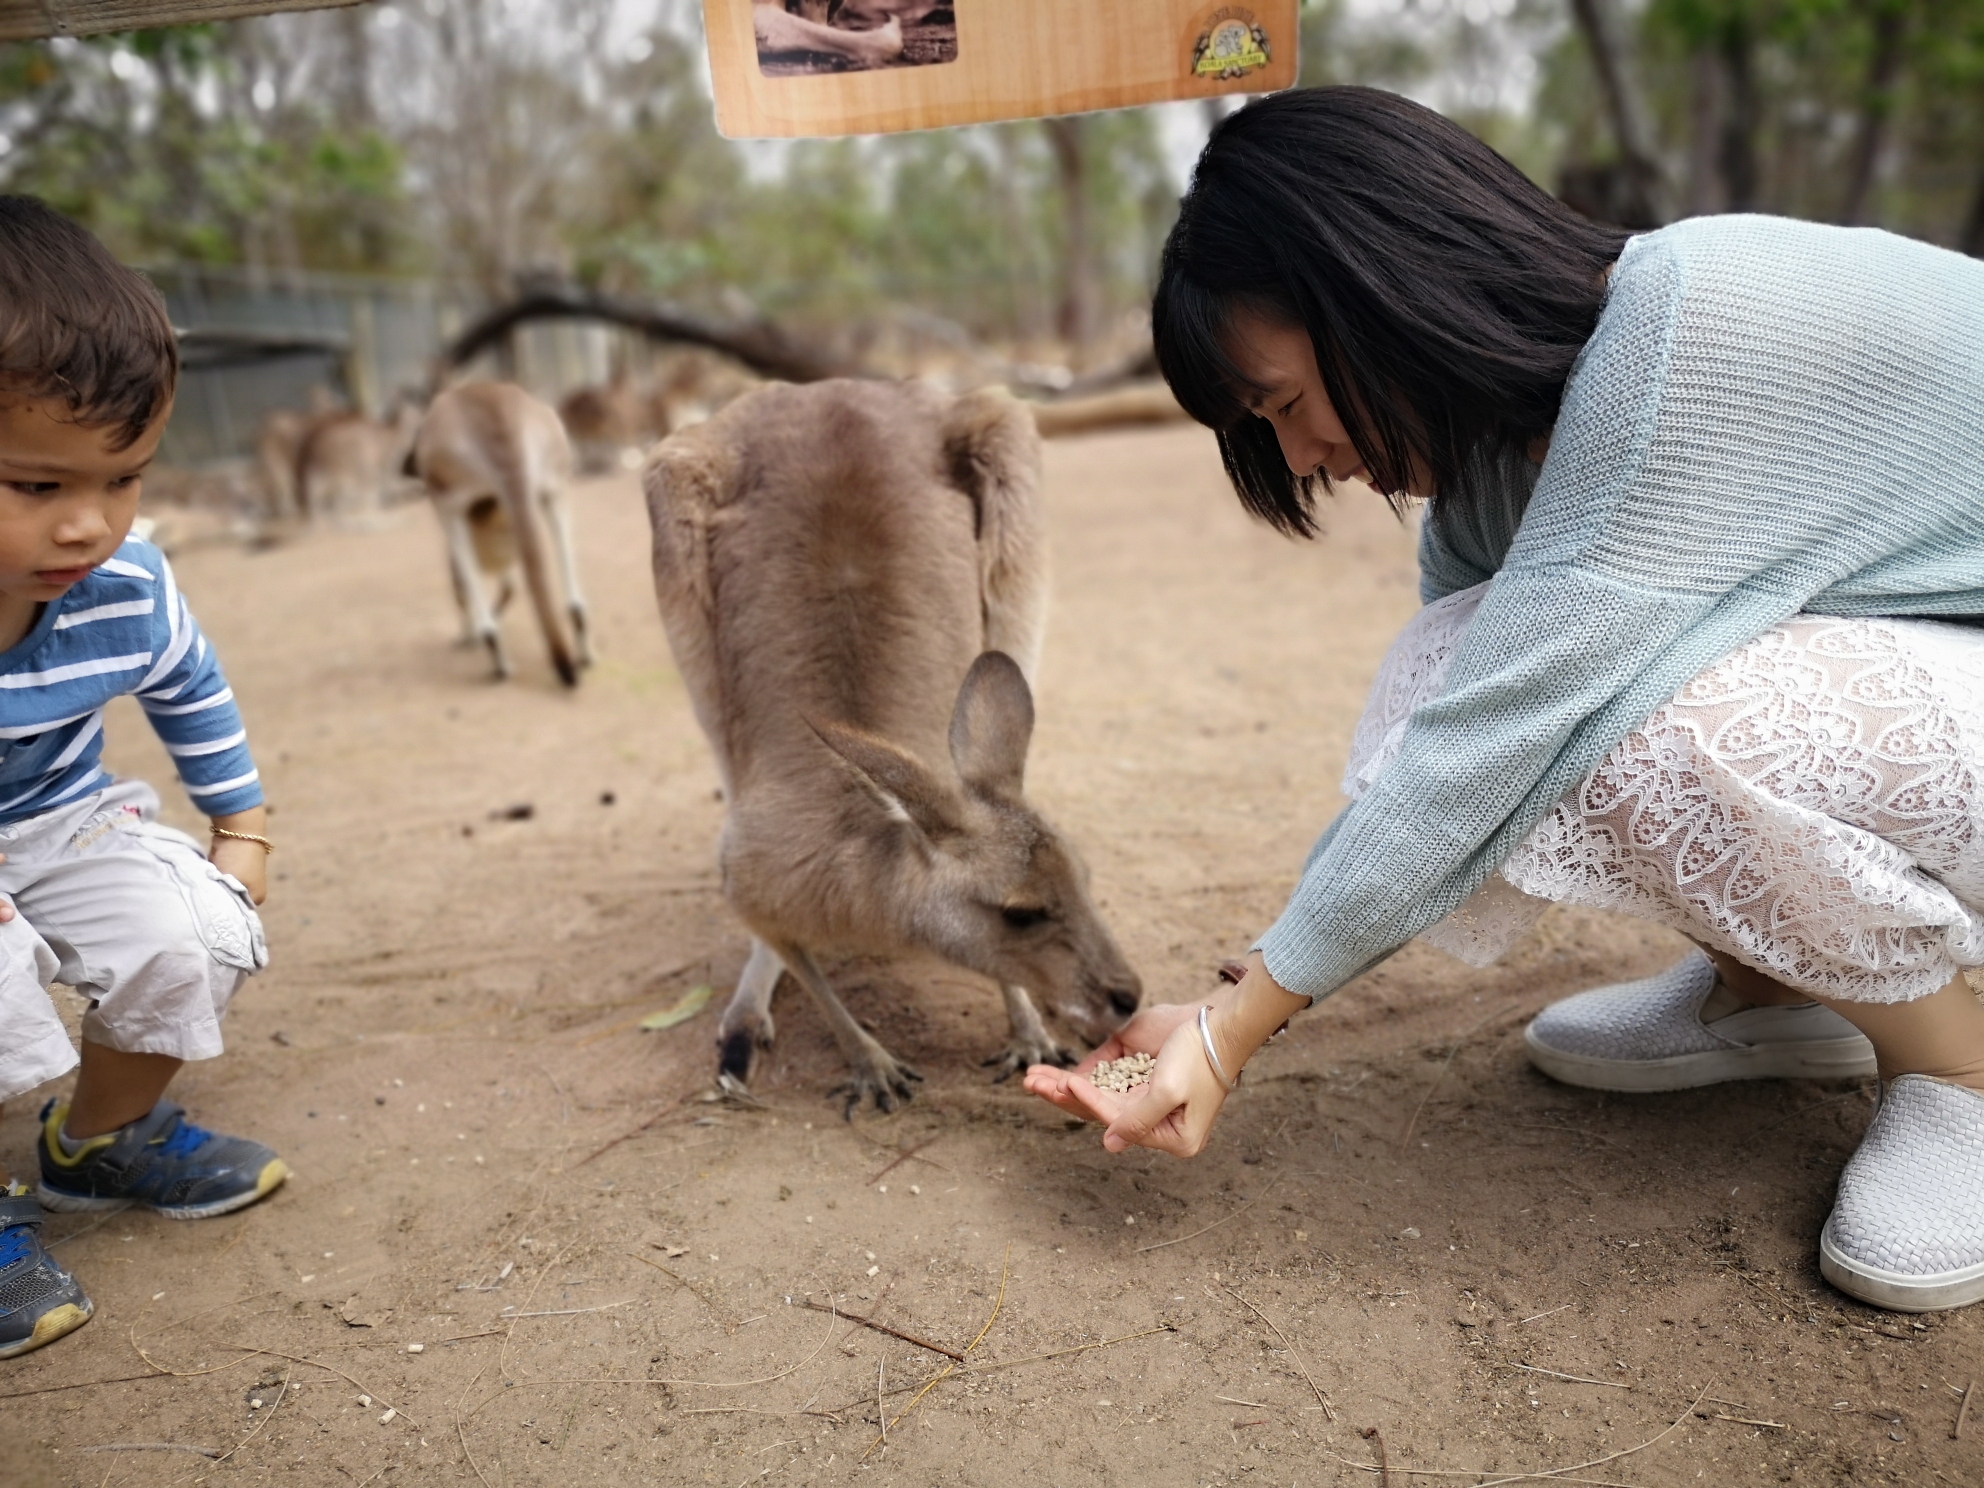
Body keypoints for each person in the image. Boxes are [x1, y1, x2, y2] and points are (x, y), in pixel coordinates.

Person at [1025, 87, 1984, 1313]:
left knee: (1659, 724)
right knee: (1461, 662)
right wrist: (1229, 996)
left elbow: (1490, 743)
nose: (1305, 457)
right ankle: (1772, 993)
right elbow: (1447, 739)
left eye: (1282, 404)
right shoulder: (1489, 468)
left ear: (1373, 292)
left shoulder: (1686, 342)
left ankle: (1953, 1075)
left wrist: (1228, 1035)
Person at [0, 197, 284, 1360]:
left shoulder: (125, 584)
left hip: (56, 816)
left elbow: (190, 686)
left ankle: (96, 1142)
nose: (89, 526)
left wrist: (243, 826)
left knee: (197, 933)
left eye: (122, 481)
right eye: (35, 487)